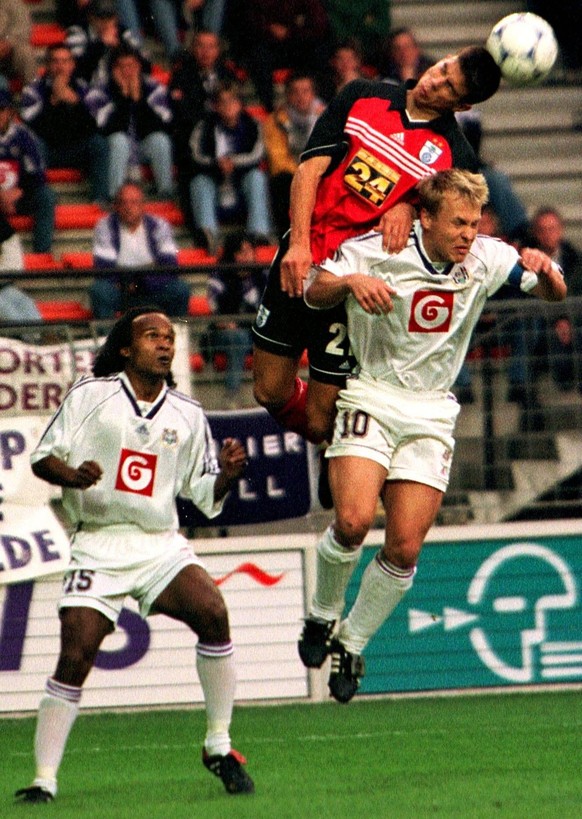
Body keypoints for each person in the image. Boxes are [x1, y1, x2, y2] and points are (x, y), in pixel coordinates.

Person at [299, 168, 566, 703]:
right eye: (458, 223)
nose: (468, 234)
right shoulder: (380, 248)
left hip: (431, 413)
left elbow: (553, 291)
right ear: (425, 218)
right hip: (371, 394)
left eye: (473, 223)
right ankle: (322, 616)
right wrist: (350, 282)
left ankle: (352, 641)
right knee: (351, 522)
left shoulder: (487, 257)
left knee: (403, 546)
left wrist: (545, 269)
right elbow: (312, 288)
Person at [14, 307, 254, 804]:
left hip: (157, 543)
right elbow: (43, 457)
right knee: (76, 653)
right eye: (152, 336)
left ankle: (219, 744)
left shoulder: (188, 413)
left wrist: (227, 474)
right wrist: (72, 475)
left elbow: (203, 495)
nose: (165, 345)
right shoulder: (91, 395)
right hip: (97, 543)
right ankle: (44, 779)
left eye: (169, 338)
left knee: (213, 612)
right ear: (126, 348)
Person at [251, 45, 502, 448]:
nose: (434, 82)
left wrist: (410, 204)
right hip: (302, 253)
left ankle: (353, 465)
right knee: (267, 390)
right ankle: (344, 450)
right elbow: (309, 169)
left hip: (354, 283)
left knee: (320, 422)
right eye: (441, 69)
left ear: (462, 104)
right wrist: (298, 244)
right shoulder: (361, 95)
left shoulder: (456, 157)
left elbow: (444, 229)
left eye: (448, 88)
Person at [20, 44, 110, 207]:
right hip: (47, 150)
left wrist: (75, 102)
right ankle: (44, 197)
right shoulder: (32, 90)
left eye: (65, 61)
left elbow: (97, 126)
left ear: (72, 64)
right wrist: (53, 101)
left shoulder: (85, 88)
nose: (60, 66)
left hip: (76, 150)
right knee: (33, 143)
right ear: (47, 64)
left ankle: (100, 200)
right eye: (55, 61)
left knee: (99, 144)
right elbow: (32, 127)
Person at [188, 82, 274, 253]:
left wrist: (232, 162)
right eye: (222, 102)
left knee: (256, 177)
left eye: (232, 101)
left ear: (240, 103)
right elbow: (196, 155)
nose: (228, 106)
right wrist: (217, 163)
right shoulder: (204, 127)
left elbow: (257, 154)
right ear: (215, 106)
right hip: (215, 186)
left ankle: (258, 233)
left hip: (240, 188)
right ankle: (209, 234)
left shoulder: (253, 125)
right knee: (199, 181)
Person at [168, 29, 239, 229]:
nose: (205, 52)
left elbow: (236, 113)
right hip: (196, 144)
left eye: (211, 47)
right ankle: (202, 232)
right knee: (194, 175)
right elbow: (183, 114)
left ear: (218, 50)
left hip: (230, 142)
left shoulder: (228, 74)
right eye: (200, 46)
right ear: (192, 49)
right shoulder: (182, 75)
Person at [89, 182, 190, 318]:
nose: (128, 208)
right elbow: (104, 268)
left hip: (153, 288)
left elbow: (170, 265)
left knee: (180, 289)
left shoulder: (159, 225)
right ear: (116, 206)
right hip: (120, 290)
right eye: (123, 203)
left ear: (143, 205)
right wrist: (128, 284)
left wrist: (139, 283)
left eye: (134, 202)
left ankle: (177, 335)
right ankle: (107, 338)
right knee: (99, 290)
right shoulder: (104, 226)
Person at [87, 45, 175, 200]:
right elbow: (105, 127)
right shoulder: (98, 91)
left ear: (139, 66)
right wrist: (123, 98)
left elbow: (163, 124)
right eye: (122, 67)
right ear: (112, 69)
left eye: (132, 66)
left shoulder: (153, 88)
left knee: (160, 140)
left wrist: (138, 100)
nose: (127, 71)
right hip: (114, 150)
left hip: (142, 145)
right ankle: (117, 196)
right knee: (119, 140)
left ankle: (165, 192)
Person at [205, 230, 269, 407]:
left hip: (255, 330)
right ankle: (231, 396)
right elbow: (215, 312)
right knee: (238, 337)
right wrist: (227, 322)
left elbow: (269, 309)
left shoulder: (262, 275)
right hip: (223, 335)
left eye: (250, 251)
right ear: (232, 255)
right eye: (242, 252)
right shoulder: (219, 275)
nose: (248, 256)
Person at [262, 73, 325, 237]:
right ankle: (286, 236)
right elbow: (278, 161)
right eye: (295, 92)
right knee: (281, 182)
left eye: (305, 91)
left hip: (320, 173)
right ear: (287, 95)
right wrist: (305, 173)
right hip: (291, 176)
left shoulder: (325, 117)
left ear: (313, 94)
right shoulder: (274, 121)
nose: (301, 97)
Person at [528, 207, 582, 390]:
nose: (548, 234)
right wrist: (558, 320)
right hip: (542, 323)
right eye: (542, 230)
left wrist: (566, 319)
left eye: (552, 229)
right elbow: (529, 297)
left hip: (573, 322)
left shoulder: (576, 260)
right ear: (536, 234)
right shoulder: (526, 261)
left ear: (561, 230)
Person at [0, 90, 57, 254]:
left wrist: (16, 192)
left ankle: (42, 254)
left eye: (1, 110)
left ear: (10, 112)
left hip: (19, 195)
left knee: (46, 196)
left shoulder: (23, 135)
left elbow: (37, 174)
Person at [66, 0, 150, 85]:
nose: (106, 22)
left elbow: (146, 66)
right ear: (91, 17)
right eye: (101, 17)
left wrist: (121, 46)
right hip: (89, 89)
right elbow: (76, 69)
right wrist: (101, 44)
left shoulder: (124, 33)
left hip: (118, 89)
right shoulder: (77, 32)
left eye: (109, 17)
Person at [0, 190, 43, 324]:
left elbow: (15, 264)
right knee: (6, 309)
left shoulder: (4, 228)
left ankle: (42, 336)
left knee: (25, 303)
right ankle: (33, 339)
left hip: (3, 287)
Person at [0, 0, 37, 89]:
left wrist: (8, 42)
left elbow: (22, 29)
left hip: (7, 52)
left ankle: (32, 91)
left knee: (25, 52)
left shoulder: (13, 3)